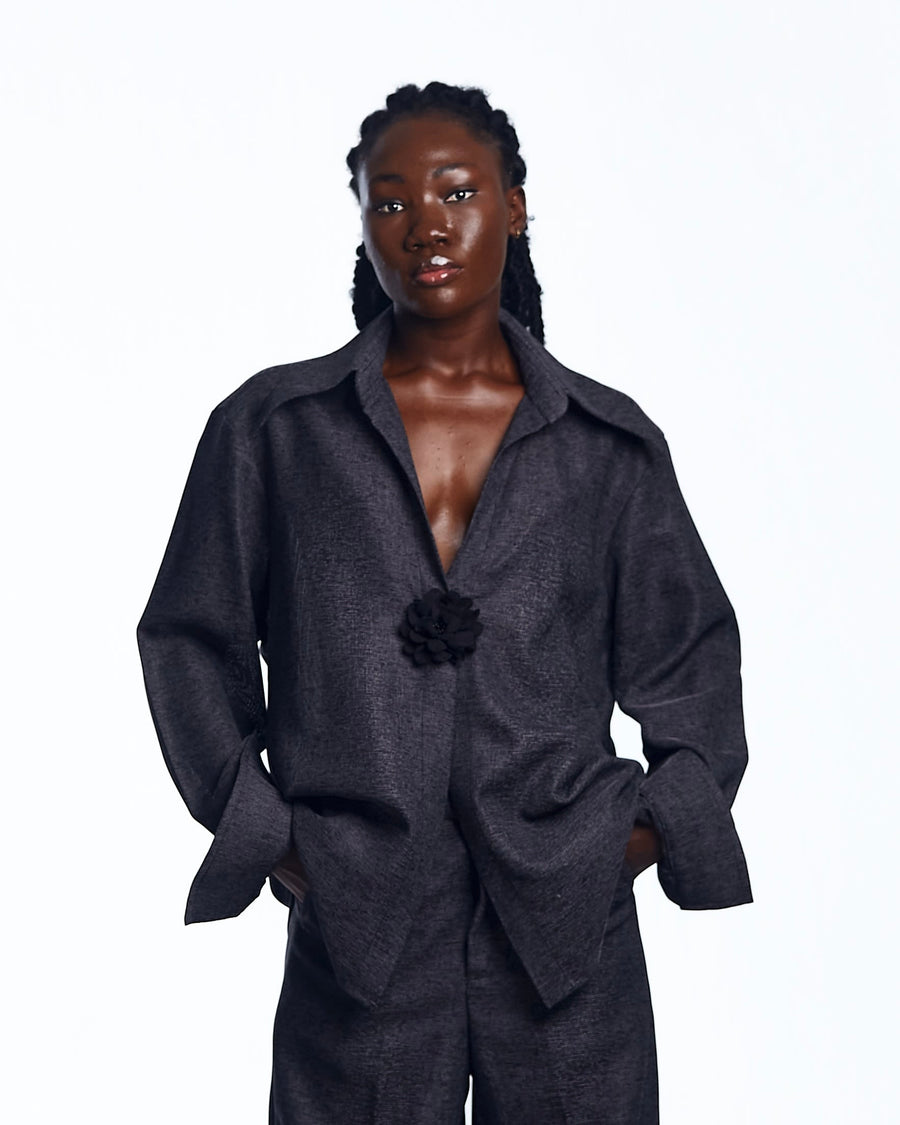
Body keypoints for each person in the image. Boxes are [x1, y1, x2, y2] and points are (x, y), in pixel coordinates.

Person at [137, 81, 753, 1124]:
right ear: (361, 223)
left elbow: (692, 661)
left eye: (458, 192)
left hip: (567, 937)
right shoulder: (276, 431)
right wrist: (274, 835)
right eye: (390, 201)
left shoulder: (608, 445)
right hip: (359, 924)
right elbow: (190, 641)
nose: (425, 224)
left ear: (514, 206)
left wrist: (631, 841)